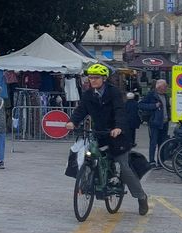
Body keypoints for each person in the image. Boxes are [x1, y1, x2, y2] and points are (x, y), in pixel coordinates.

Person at [66, 63, 150, 216]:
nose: (93, 80)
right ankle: (89, 181)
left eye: (96, 78)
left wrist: (118, 127)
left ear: (104, 78)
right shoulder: (88, 94)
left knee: (124, 168)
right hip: (99, 134)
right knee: (86, 156)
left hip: (117, 136)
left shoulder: (114, 92)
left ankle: (141, 197)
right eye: (90, 78)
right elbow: (80, 110)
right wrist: (72, 122)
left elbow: (120, 110)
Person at [138, 79, 170, 166]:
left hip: (165, 122)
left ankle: (161, 161)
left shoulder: (165, 96)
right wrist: (154, 106)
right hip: (154, 123)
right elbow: (140, 105)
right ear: (159, 87)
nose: (166, 88)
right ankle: (152, 161)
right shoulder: (151, 95)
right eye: (165, 86)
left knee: (162, 143)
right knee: (153, 142)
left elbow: (167, 107)